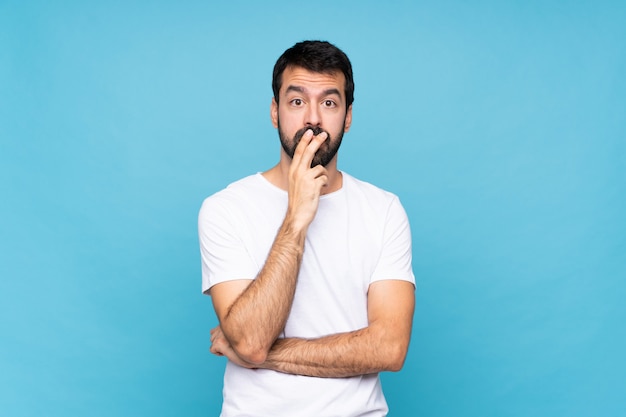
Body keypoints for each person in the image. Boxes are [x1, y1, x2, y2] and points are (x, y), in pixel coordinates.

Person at [198, 40, 415, 417]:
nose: (312, 118)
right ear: (274, 111)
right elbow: (250, 341)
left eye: (329, 103)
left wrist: (267, 356)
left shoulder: (384, 210)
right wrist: (297, 217)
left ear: (347, 116)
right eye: (296, 101)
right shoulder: (225, 209)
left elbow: (389, 348)